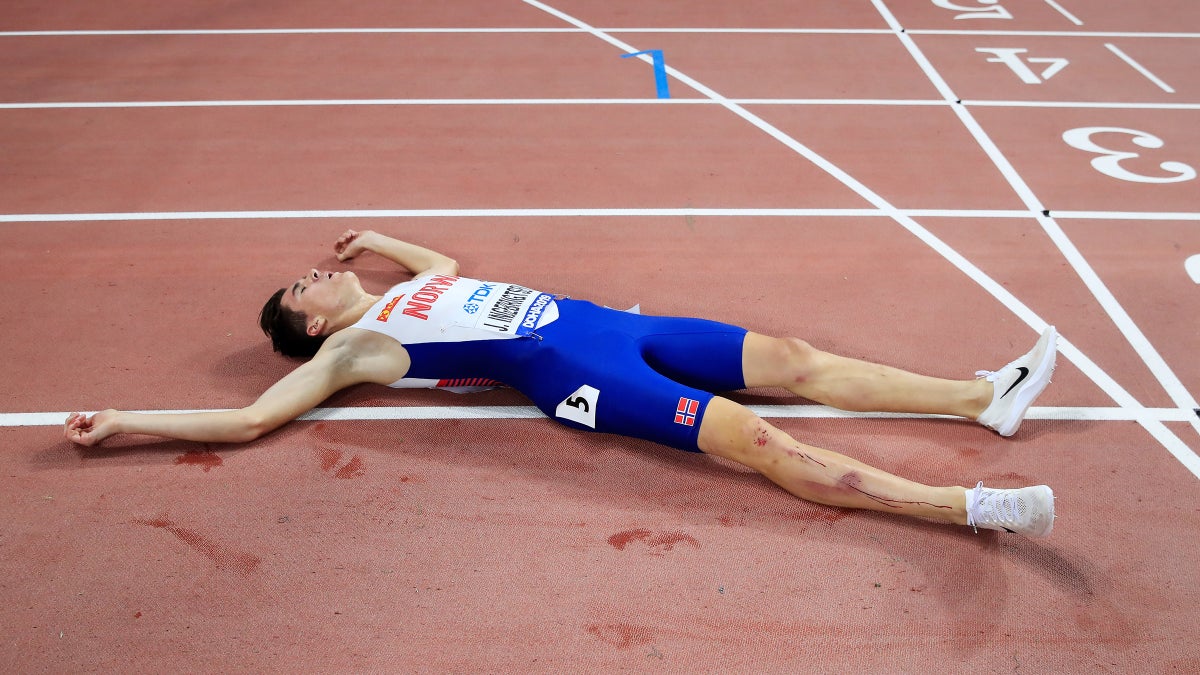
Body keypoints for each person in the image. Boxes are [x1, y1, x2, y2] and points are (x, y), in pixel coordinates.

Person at [65, 229, 1058, 537]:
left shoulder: (415, 285)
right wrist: (123, 420)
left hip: (621, 327)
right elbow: (246, 419)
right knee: (761, 446)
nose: (311, 272)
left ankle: (982, 398)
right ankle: (970, 507)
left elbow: (441, 262)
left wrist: (373, 239)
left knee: (794, 358)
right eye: (300, 287)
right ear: (312, 321)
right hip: (582, 375)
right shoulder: (352, 350)